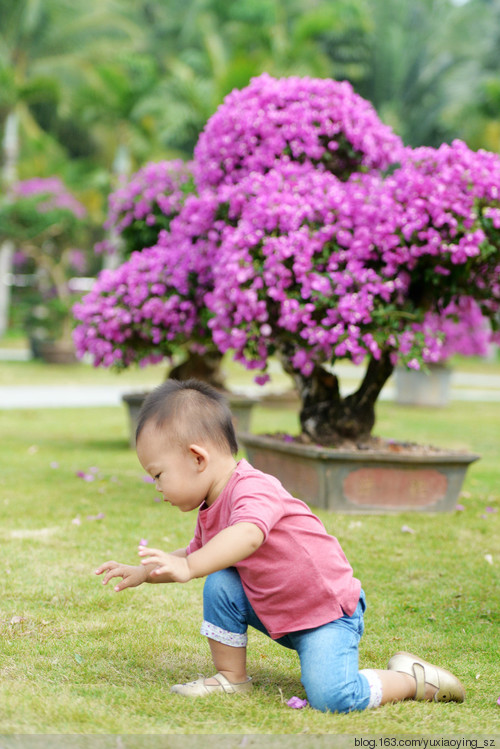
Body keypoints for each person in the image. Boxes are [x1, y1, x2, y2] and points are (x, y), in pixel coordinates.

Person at [95, 379, 465, 712]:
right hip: (280, 611)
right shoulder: (212, 505)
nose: (157, 487)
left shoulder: (253, 488)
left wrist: (190, 568)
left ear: (197, 458)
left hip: (326, 616)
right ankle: (231, 677)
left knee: (333, 698)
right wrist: (144, 572)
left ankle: (411, 678)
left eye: (158, 475)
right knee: (221, 580)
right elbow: (194, 555)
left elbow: (248, 534)